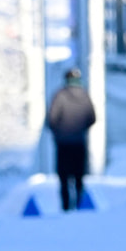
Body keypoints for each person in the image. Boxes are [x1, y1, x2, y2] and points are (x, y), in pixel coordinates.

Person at [46, 68, 97, 211]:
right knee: (79, 175)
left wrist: (61, 131)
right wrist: (80, 129)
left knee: (64, 176)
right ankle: (80, 203)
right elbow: (92, 118)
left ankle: (66, 206)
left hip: (63, 143)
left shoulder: (60, 96)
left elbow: (52, 119)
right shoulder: (85, 96)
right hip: (79, 142)